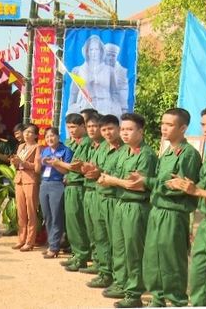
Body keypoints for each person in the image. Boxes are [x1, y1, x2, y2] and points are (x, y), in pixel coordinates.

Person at [122, 108, 201, 307]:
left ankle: (176, 300)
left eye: (170, 124)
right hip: (158, 209)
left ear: (183, 128)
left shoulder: (187, 154)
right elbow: (163, 182)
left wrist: (147, 181)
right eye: (163, 124)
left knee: (172, 259)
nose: (164, 128)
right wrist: (149, 181)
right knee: (153, 257)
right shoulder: (167, 152)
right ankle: (157, 298)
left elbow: (177, 188)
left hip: (174, 212)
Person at [167, 105, 206, 306]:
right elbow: (205, 191)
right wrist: (189, 187)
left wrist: (199, 192)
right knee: (199, 281)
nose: (205, 130)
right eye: (203, 125)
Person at [97, 113, 157, 308]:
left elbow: (138, 185)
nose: (124, 133)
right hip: (121, 203)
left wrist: (112, 181)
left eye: (129, 129)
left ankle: (135, 292)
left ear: (141, 131)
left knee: (133, 251)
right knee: (120, 248)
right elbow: (115, 175)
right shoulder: (125, 152)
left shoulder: (145, 154)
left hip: (136, 205)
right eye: (123, 129)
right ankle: (122, 283)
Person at [82, 115, 124, 289]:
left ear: (118, 128)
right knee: (100, 237)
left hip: (115, 199)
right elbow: (98, 168)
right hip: (100, 197)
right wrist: (93, 171)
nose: (107, 132)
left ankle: (118, 277)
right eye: (104, 129)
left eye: (110, 129)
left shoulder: (125, 149)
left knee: (117, 241)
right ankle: (105, 273)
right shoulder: (102, 148)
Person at [51, 113, 92, 271]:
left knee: (78, 222)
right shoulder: (72, 143)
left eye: (74, 127)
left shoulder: (86, 143)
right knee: (71, 224)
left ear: (83, 126)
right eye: (69, 127)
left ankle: (82, 255)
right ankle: (76, 253)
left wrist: (59, 163)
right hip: (70, 185)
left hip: (79, 186)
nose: (71, 130)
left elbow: (77, 166)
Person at [39, 127, 73, 258]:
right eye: (47, 137)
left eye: (52, 136)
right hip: (44, 183)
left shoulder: (66, 151)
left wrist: (56, 164)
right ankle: (52, 243)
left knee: (56, 215)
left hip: (57, 184)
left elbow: (67, 171)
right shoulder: (45, 151)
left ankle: (54, 247)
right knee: (47, 216)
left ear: (58, 137)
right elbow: (41, 168)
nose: (49, 139)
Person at [69, 35, 121, 117]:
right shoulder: (78, 70)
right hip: (85, 109)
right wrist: (71, 112)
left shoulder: (110, 71)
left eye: (96, 49)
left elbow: (114, 93)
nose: (94, 52)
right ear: (87, 51)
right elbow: (73, 93)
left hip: (105, 110)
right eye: (91, 49)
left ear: (101, 51)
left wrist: (115, 110)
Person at [78, 113, 104, 275]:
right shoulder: (92, 147)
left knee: (101, 233)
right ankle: (96, 261)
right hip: (89, 189)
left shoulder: (105, 147)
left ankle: (103, 266)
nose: (92, 129)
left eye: (95, 126)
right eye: (89, 126)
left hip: (100, 192)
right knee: (92, 231)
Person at [10, 124, 41, 251]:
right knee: (21, 211)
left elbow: (37, 168)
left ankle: (30, 241)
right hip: (19, 180)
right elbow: (18, 165)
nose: (26, 134)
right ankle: (21, 239)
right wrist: (15, 163)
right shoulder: (21, 146)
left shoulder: (38, 147)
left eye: (30, 132)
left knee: (31, 211)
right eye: (25, 132)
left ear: (35, 135)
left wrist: (23, 163)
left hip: (30, 181)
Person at [103, 43, 128, 114]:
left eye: (113, 55)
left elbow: (123, 90)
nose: (110, 58)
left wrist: (123, 108)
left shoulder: (122, 71)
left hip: (115, 106)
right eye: (108, 55)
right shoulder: (98, 69)